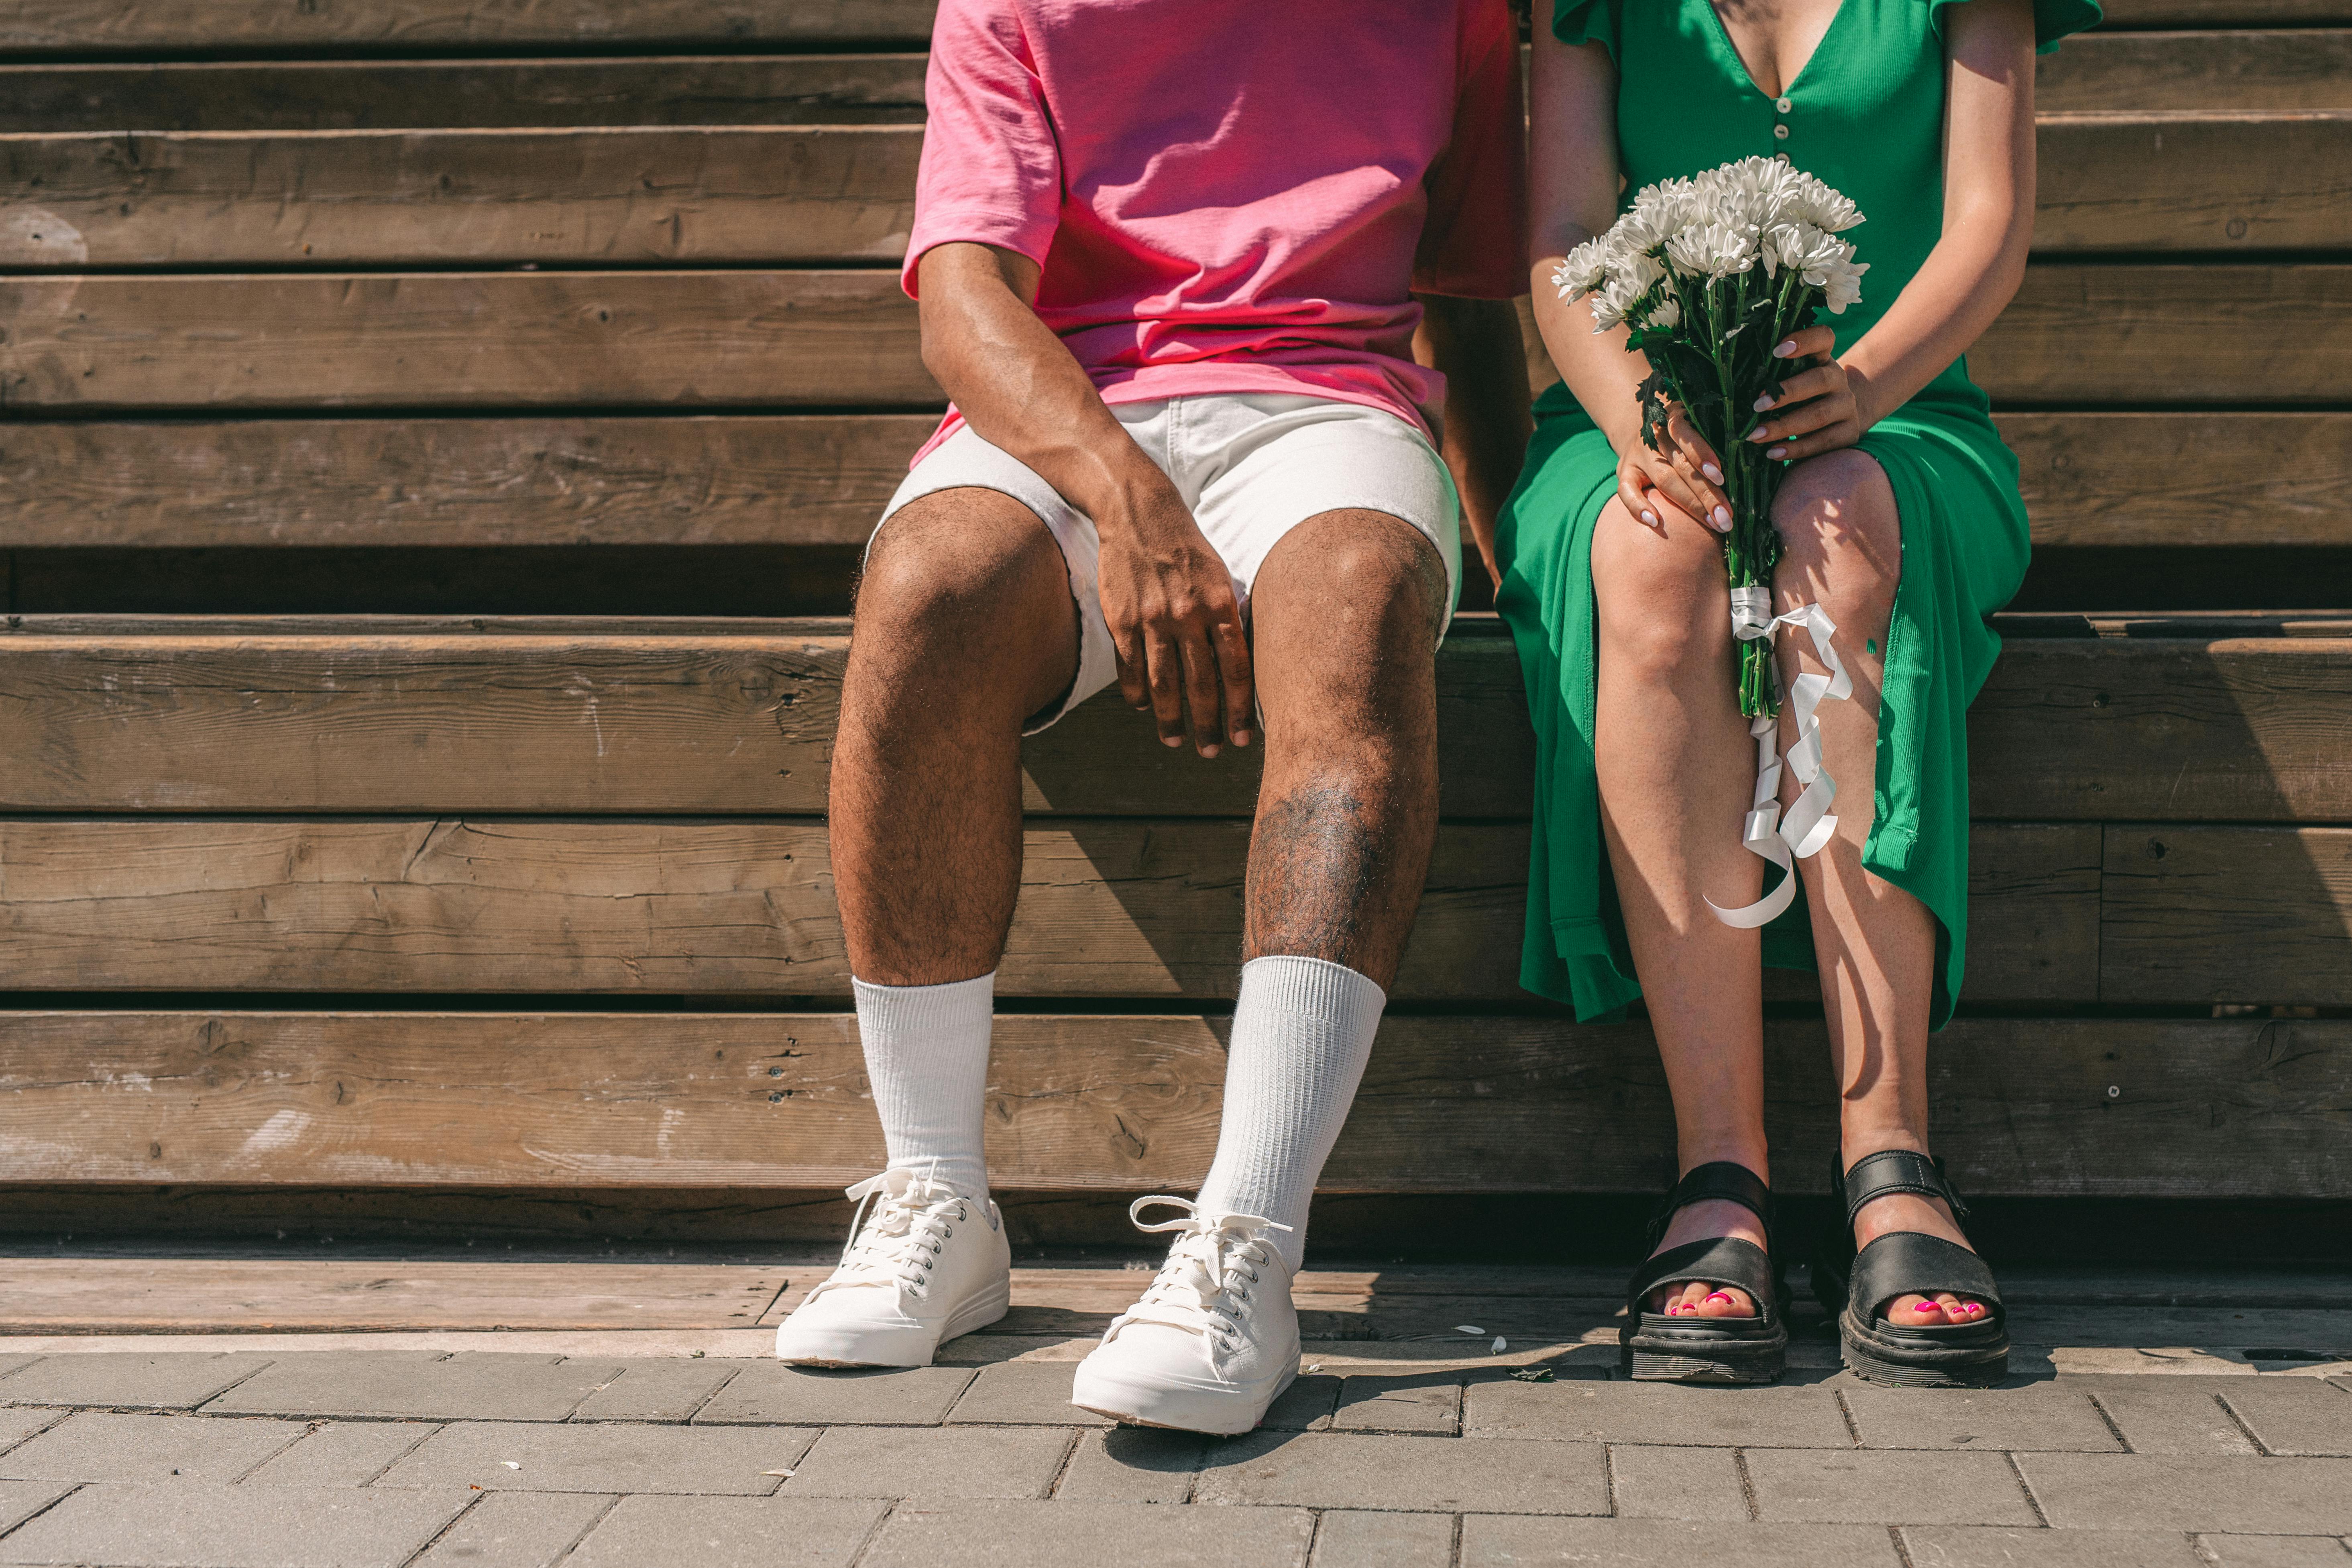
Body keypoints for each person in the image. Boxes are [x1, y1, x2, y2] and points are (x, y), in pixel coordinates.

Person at [770, 0, 1531, 1434]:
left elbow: (1472, 294)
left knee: (1360, 599)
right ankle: (936, 1198)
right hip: (1073, 409)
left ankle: (1244, 1246)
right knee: (926, 590)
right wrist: (1131, 499)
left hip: (1332, 402)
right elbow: (964, 298)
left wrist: (1523, 563)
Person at [1499, 0, 2097, 1386]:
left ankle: (1890, 1160)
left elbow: (1985, 220)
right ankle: (1721, 1174)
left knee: (1830, 521)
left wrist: (1862, 385)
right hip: (1635, 416)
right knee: (1654, 567)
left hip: (1900, 419)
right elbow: (1560, 243)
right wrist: (1644, 418)